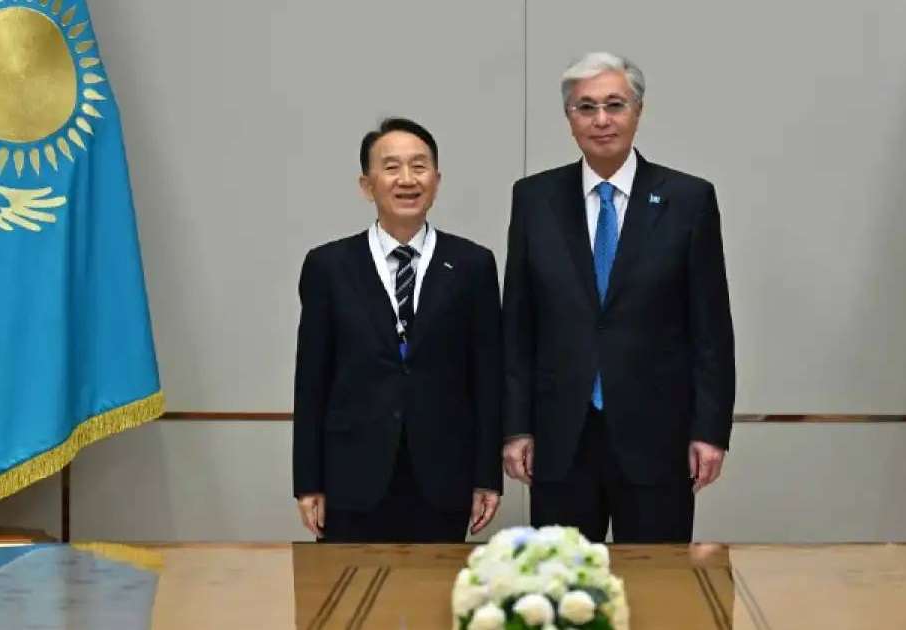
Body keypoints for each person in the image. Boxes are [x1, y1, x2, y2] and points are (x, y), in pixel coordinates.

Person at [502, 52, 736, 543]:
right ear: (569, 120)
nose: (601, 120)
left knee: (659, 596)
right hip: (562, 436)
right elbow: (518, 326)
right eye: (586, 108)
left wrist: (709, 430)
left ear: (638, 111)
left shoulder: (688, 200)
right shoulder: (534, 199)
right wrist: (516, 427)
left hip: (658, 438)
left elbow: (711, 327)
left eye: (615, 104)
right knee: (563, 595)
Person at [293, 118, 502, 542]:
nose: (407, 179)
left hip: (443, 477)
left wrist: (487, 477)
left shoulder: (472, 265)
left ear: (437, 180)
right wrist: (308, 481)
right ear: (367, 184)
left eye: (419, 166)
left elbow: (488, 377)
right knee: (349, 601)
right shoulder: (329, 267)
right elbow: (311, 381)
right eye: (391, 167)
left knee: (435, 603)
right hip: (352, 478)